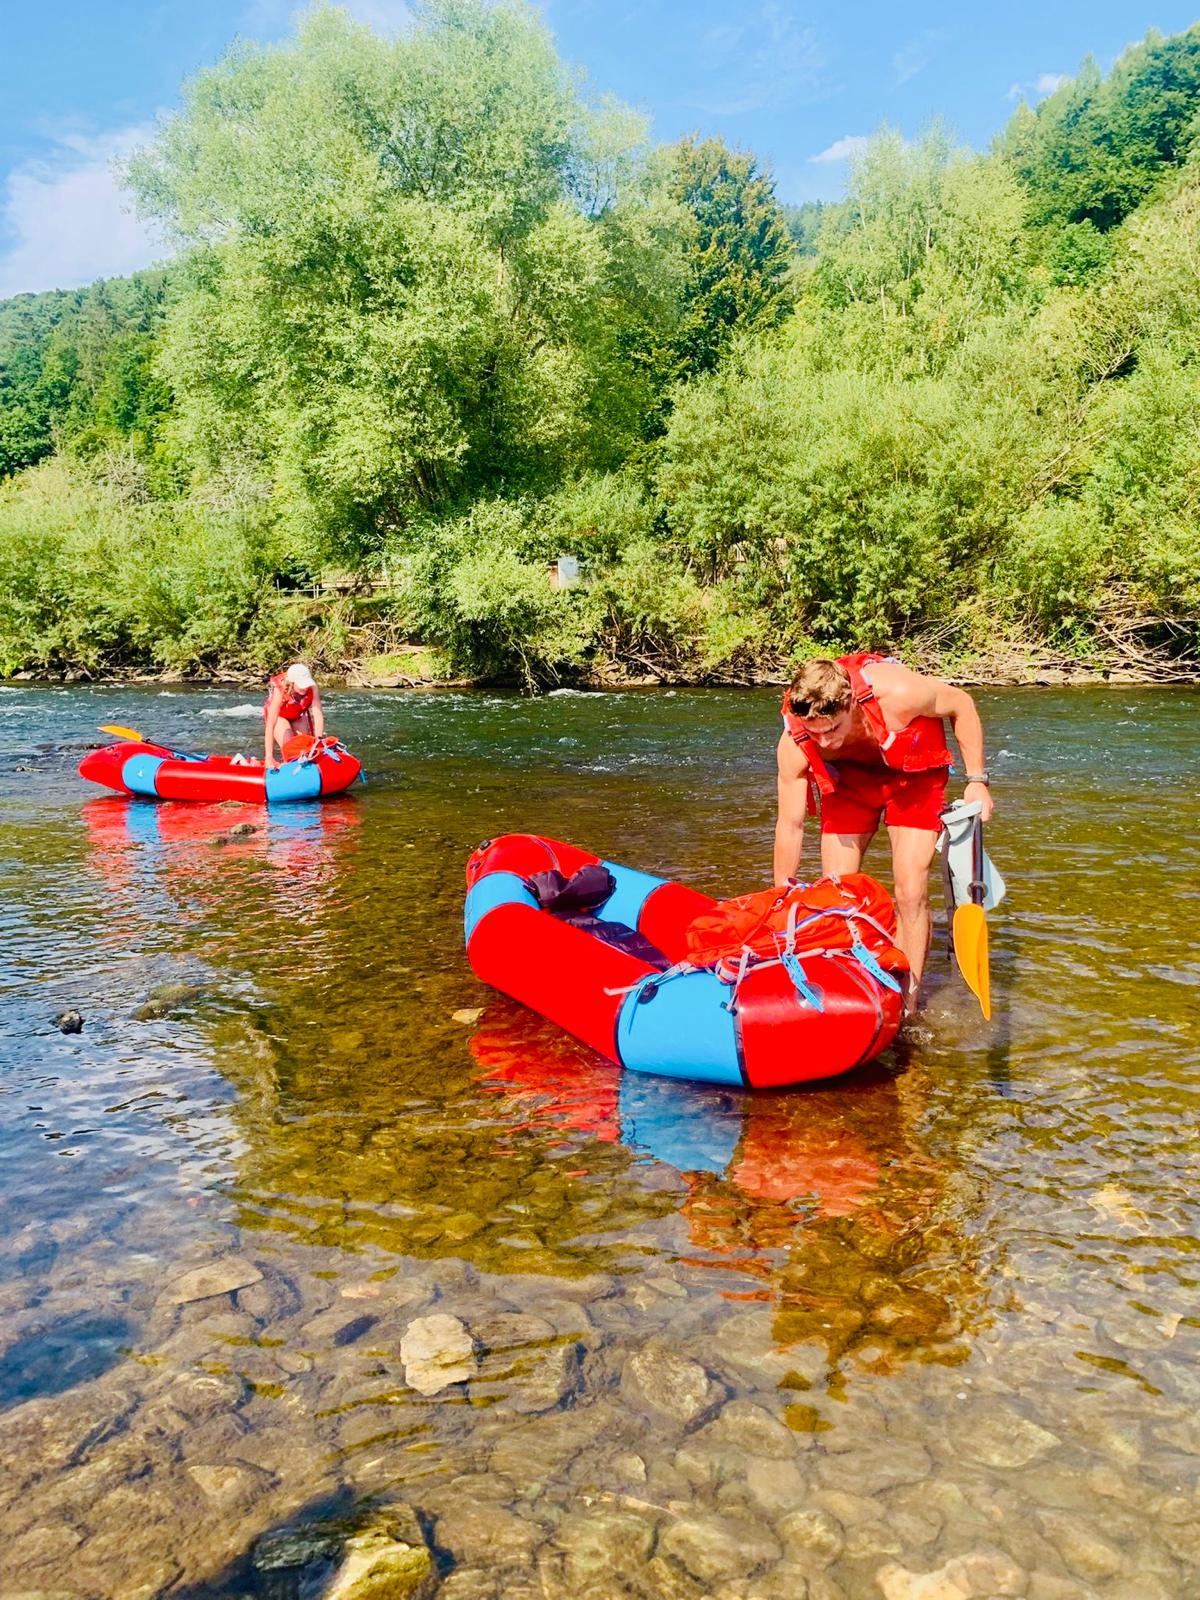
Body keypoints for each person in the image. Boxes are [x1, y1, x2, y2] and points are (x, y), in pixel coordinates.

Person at [774, 654, 993, 1014]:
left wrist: (977, 782)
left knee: (909, 889)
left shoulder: (900, 692)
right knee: (838, 892)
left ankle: (907, 1000)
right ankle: (854, 986)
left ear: (850, 704)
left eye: (833, 729)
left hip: (915, 775)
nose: (825, 742)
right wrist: (782, 890)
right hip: (852, 782)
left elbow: (962, 705)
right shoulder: (795, 740)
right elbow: (791, 824)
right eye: (816, 733)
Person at [263, 662, 324, 768]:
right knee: (290, 747)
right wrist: (269, 757)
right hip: (279, 717)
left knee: (305, 748)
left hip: (297, 715)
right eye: (301, 685)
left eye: (306, 685)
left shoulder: (313, 688)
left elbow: (318, 717)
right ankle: (286, 768)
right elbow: (270, 725)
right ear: (291, 683)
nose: (305, 688)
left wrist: (318, 741)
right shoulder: (280, 690)